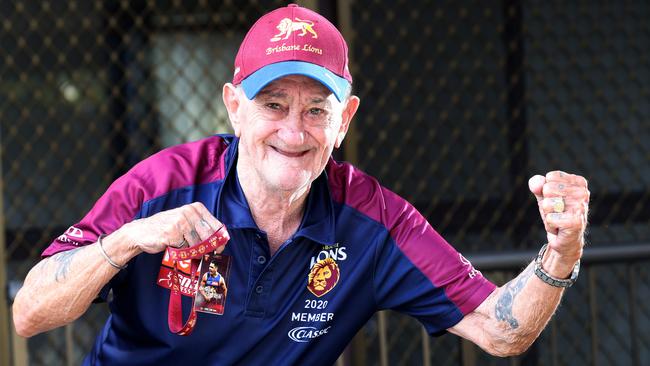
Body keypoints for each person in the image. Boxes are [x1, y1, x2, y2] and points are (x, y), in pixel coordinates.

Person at [12, 4, 590, 365]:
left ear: (346, 121)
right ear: (234, 108)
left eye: (317, 108)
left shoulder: (374, 219)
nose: (294, 130)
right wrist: (127, 242)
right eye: (273, 104)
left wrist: (560, 253)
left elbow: (499, 330)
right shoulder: (163, 184)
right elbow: (30, 313)